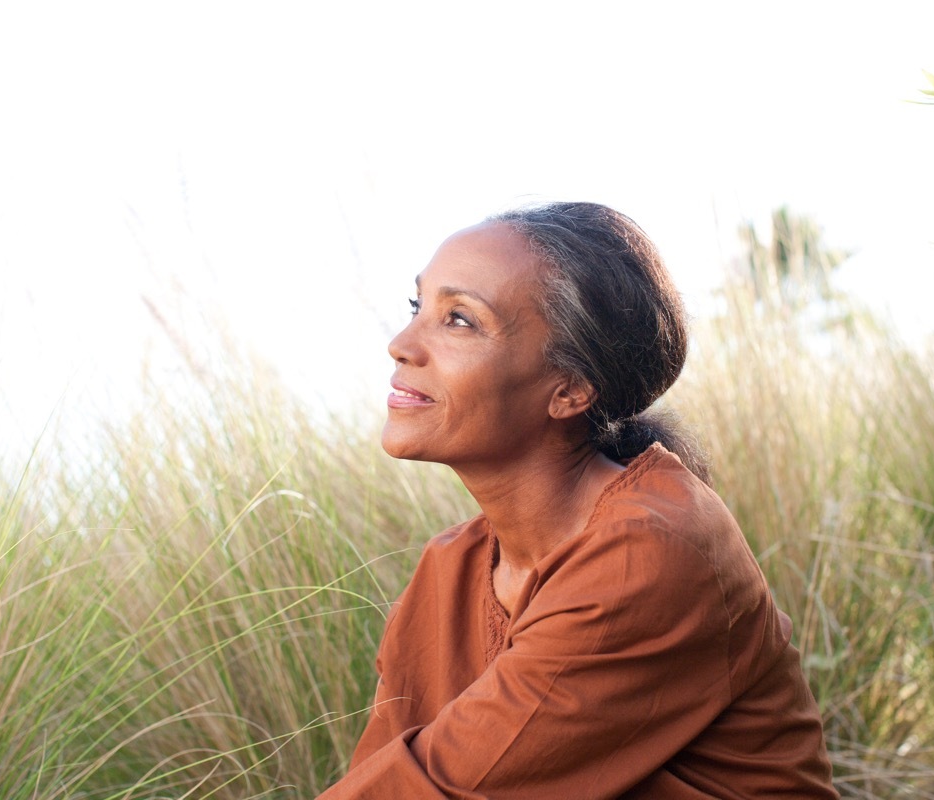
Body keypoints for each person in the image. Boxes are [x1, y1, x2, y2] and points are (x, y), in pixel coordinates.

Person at [318, 202, 837, 799]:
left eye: (459, 320)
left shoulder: (649, 551)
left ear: (571, 388)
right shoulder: (448, 569)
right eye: (418, 307)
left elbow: (448, 785)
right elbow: (373, 778)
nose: (401, 344)